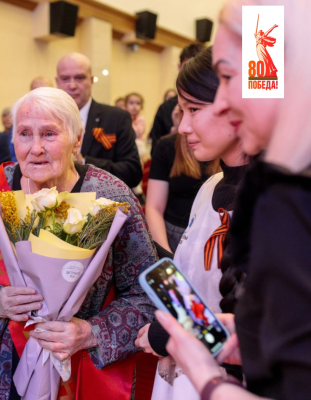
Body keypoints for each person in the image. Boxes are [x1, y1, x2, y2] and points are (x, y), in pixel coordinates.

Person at [155, 1, 311, 399]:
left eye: (228, 77)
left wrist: (208, 378)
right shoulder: (270, 187)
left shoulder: (289, 199)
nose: (225, 101)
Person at [0, 87, 157, 400]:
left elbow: (147, 295)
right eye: (24, 134)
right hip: (7, 368)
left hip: (85, 369)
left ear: (77, 139)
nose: (35, 148)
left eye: (49, 134)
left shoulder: (110, 197)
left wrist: (89, 332)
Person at [135, 47, 249, 400]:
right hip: (187, 375)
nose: (183, 127)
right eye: (181, 111)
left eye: (194, 110)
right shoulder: (210, 187)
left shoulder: (278, 202)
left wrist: (171, 335)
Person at [55, 53, 142, 188]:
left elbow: (132, 172)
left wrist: (84, 162)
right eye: (65, 78)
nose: (72, 86)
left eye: (79, 78)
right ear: (57, 81)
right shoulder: (48, 119)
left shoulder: (116, 117)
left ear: (91, 80)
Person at [146, 122, 216, 252]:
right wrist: (166, 254)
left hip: (215, 237)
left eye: (194, 109)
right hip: (172, 235)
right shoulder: (167, 146)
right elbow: (154, 207)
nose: (182, 128)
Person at [149, 44, 205, 152]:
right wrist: (174, 133)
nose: (192, 75)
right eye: (187, 67)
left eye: (198, 69)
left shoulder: (214, 103)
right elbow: (155, 151)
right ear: (179, 67)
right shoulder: (165, 108)